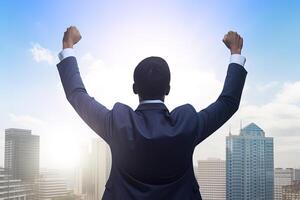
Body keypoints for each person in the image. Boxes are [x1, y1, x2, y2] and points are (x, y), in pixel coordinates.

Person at [57, 26, 247, 200]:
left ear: (134, 88)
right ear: (168, 88)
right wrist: (235, 53)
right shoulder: (187, 124)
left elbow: (77, 94)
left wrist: (68, 47)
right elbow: (227, 103)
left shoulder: (118, 122)